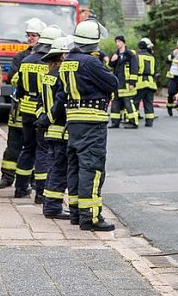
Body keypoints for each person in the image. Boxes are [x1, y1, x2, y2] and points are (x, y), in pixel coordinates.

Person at [60, 19, 120, 231]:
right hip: (92, 120)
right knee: (92, 167)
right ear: (94, 42)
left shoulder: (68, 61)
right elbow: (113, 83)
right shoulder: (91, 62)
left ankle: (76, 213)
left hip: (73, 119)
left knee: (75, 166)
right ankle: (91, 217)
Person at [0, 18, 46, 189]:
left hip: (36, 108)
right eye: (29, 35)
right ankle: (7, 176)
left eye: (34, 35)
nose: (31, 38)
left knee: (34, 146)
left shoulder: (47, 57)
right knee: (13, 144)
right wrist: (28, 79)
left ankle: (30, 180)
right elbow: (12, 78)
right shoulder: (21, 56)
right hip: (18, 108)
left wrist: (26, 78)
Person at [14, 25, 62, 203]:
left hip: (25, 109)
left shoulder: (25, 61)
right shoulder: (49, 64)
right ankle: (40, 192)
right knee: (43, 150)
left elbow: (18, 88)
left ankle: (20, 187)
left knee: (27, 147)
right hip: (42, 111)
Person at [39, 36, 74, 219]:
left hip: (50, 130)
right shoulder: (62, 75)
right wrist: (51, 118)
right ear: (62, 56)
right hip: (60, 129)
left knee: (53, 168)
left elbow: (40, 103)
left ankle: (49, 205)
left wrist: (43, 120)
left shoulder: (47, 76)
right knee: (60, 171)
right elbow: (60, 104)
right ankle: (53, 208)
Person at [109, 35, 140, 129]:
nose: (117, 43)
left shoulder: (130, 55)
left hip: (126, 84)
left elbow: (134, 69)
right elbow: (111, 67)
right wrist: (112, 61)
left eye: (119, 41)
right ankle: (115, 122)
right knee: (115, 103)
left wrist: (132, 83)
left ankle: (133, 122)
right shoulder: (115, 54)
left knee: (128, 103)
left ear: (123, 42)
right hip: (117, 84)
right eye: (116, 42)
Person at [134, 37, 157, 127]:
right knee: (149, 103)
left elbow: (135, 69)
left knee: (135, 102)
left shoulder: (137, 56)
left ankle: (134, 119)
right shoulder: (152, 57)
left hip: (140, 82)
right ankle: (149, 121)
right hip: (151, 82)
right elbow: (154, 70)